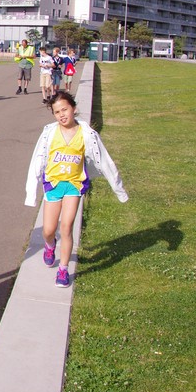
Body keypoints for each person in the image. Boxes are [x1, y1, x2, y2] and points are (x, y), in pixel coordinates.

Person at [25, 91, 128, 288]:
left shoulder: (87, 134)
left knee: (66, 227)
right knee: (48, 230)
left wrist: (119, 189)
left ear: (73, 108)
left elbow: (105, 161)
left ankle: (63, 270)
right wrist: (31, 191)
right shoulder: (49, 133)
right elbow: (37, 160)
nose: (61, 115)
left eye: (64, 109)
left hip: (74, 184)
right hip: (53, 184)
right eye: (57, 112)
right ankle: (50, 245)